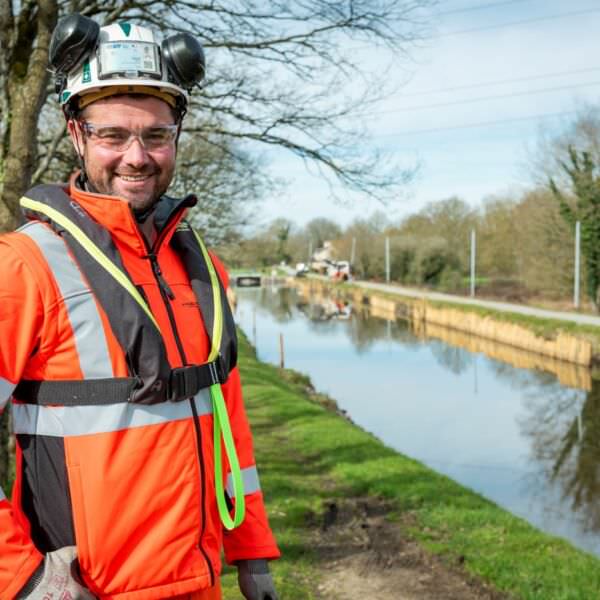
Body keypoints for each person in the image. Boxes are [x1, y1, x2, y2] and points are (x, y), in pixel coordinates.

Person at [0, 14, 280, 600]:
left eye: (156, 135)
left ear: (176, 136)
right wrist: (20, 577)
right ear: (76, 135)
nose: (137, 156)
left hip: (201, 585)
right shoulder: (25, 266)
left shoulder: (200, 264)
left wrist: (252, 550)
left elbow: (226, 418)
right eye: (112, 135)